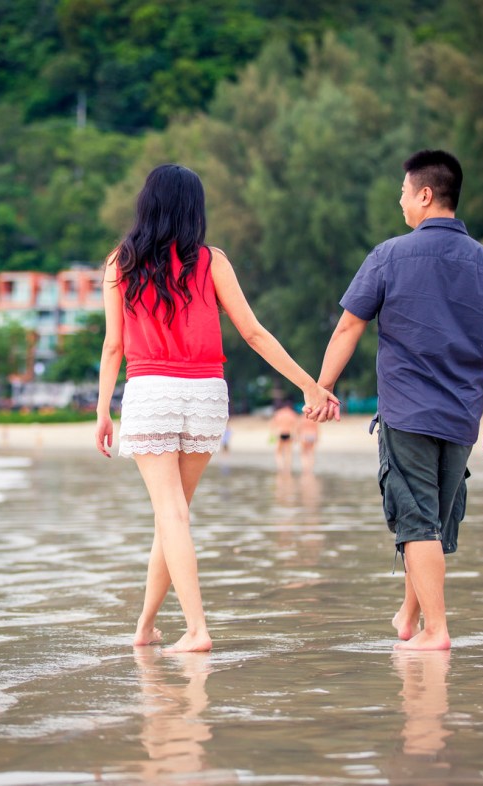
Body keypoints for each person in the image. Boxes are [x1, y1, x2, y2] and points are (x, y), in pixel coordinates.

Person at [96, 163, 338, 653]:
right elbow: (254, 333)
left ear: (147, 203)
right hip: (206, 392)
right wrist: (310, 385)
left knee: (171, 515)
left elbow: (113, 346)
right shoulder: (212, 261)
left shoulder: (121, 262)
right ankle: (145, 625)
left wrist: (103, 411)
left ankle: (196, 629)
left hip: (151, 391)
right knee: (174, 516)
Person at [310, 149, 483, 651]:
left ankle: (436, 631)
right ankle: (409, 615)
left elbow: (349, 326)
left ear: (425, 195)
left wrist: (322, 386)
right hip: (462, 416)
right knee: (432, 519)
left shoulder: (389, 256)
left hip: (408, 411)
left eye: (403, 192)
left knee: (417, 520)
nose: (399, 201)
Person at [268, 401, 298, 472]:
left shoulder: (278, 414)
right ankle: (287, 467)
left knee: (278, 452)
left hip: (280, 433)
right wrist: (295, 436)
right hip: (289, 433)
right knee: (288, 452)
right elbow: (296, 426)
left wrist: (273, 434)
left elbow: (272, 424)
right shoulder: (292, 414)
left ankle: (280, 467)